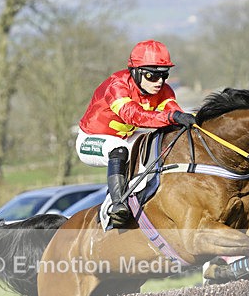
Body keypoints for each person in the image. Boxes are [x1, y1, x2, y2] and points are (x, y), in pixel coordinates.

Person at [76, 40, 196, 228]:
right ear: (136, 72)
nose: (159, 82)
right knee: (119, 149)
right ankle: (116, 206)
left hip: (126, 137)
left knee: (156, 141)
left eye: (164, 75)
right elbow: (133, 116)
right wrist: (174, 116)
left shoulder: (163, 90)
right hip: (91, 139)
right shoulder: (117, 86)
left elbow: (173, 114)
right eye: (152, 75)